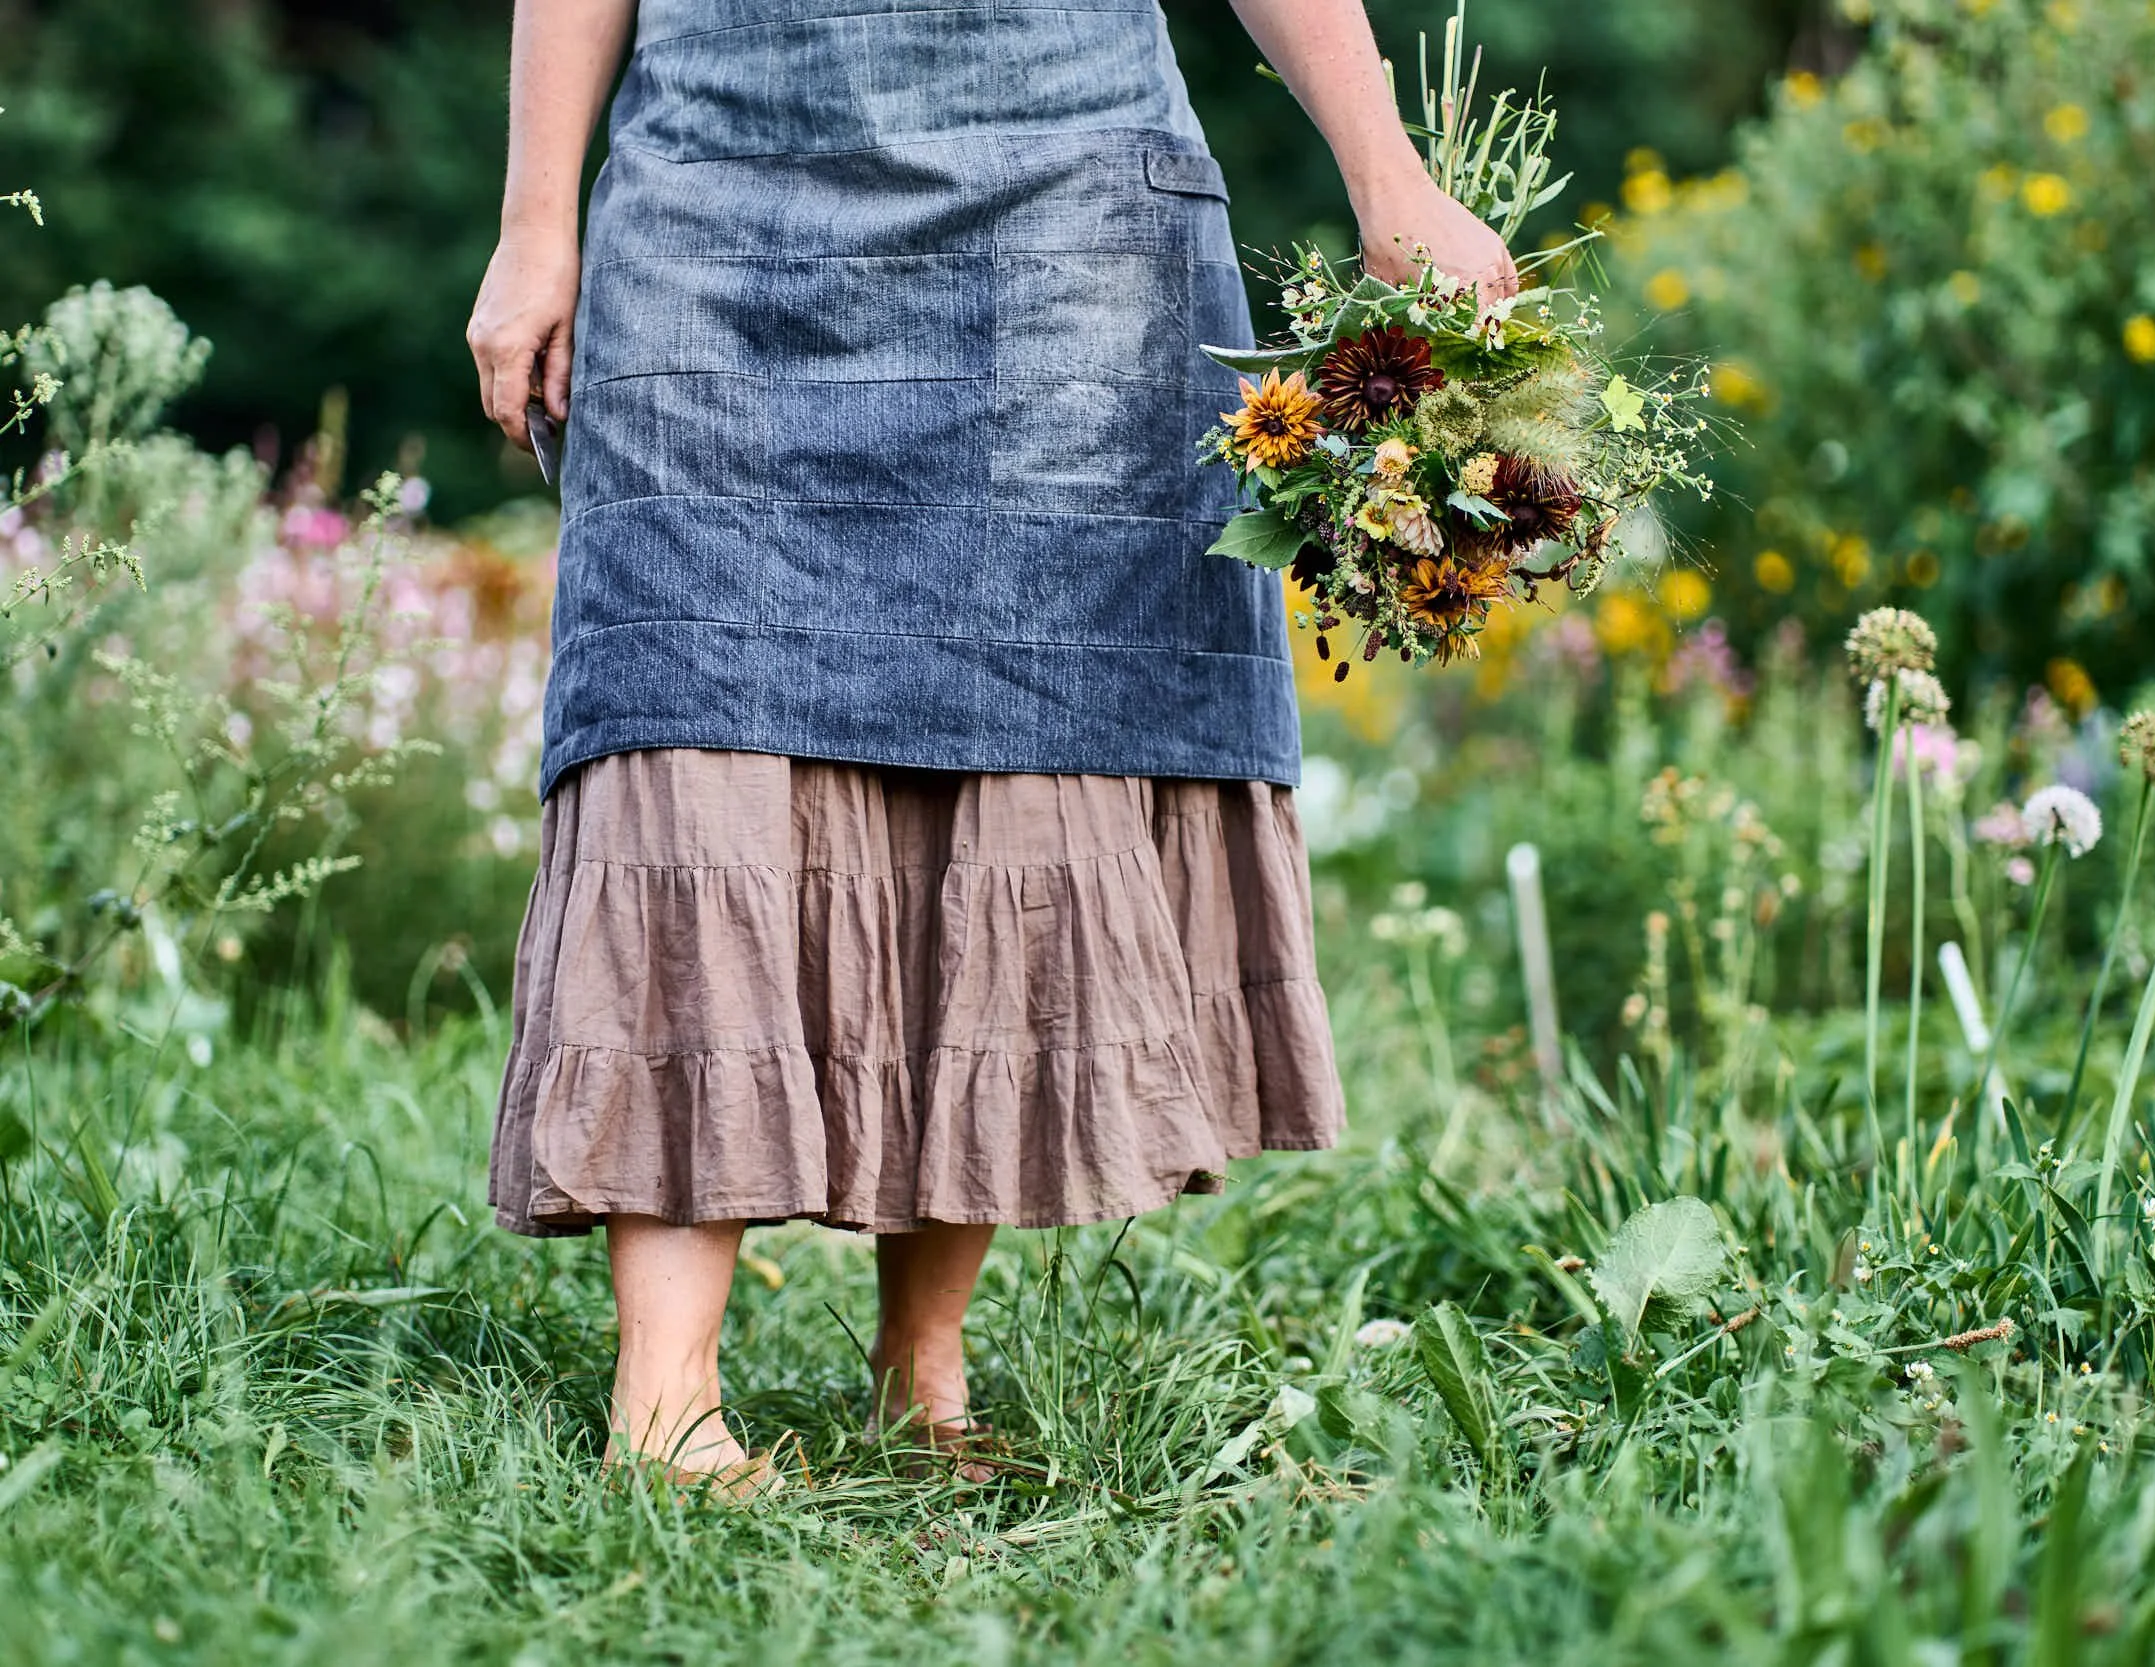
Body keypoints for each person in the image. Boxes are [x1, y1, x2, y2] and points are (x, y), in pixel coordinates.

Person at [466, 0, 1515, 1491]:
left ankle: (923, 1358)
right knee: (685, 712)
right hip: (715, 185)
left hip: (1064, 191)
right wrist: (533, 222)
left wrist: (1390, 180)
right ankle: (664, 1394)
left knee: (1015, 721)